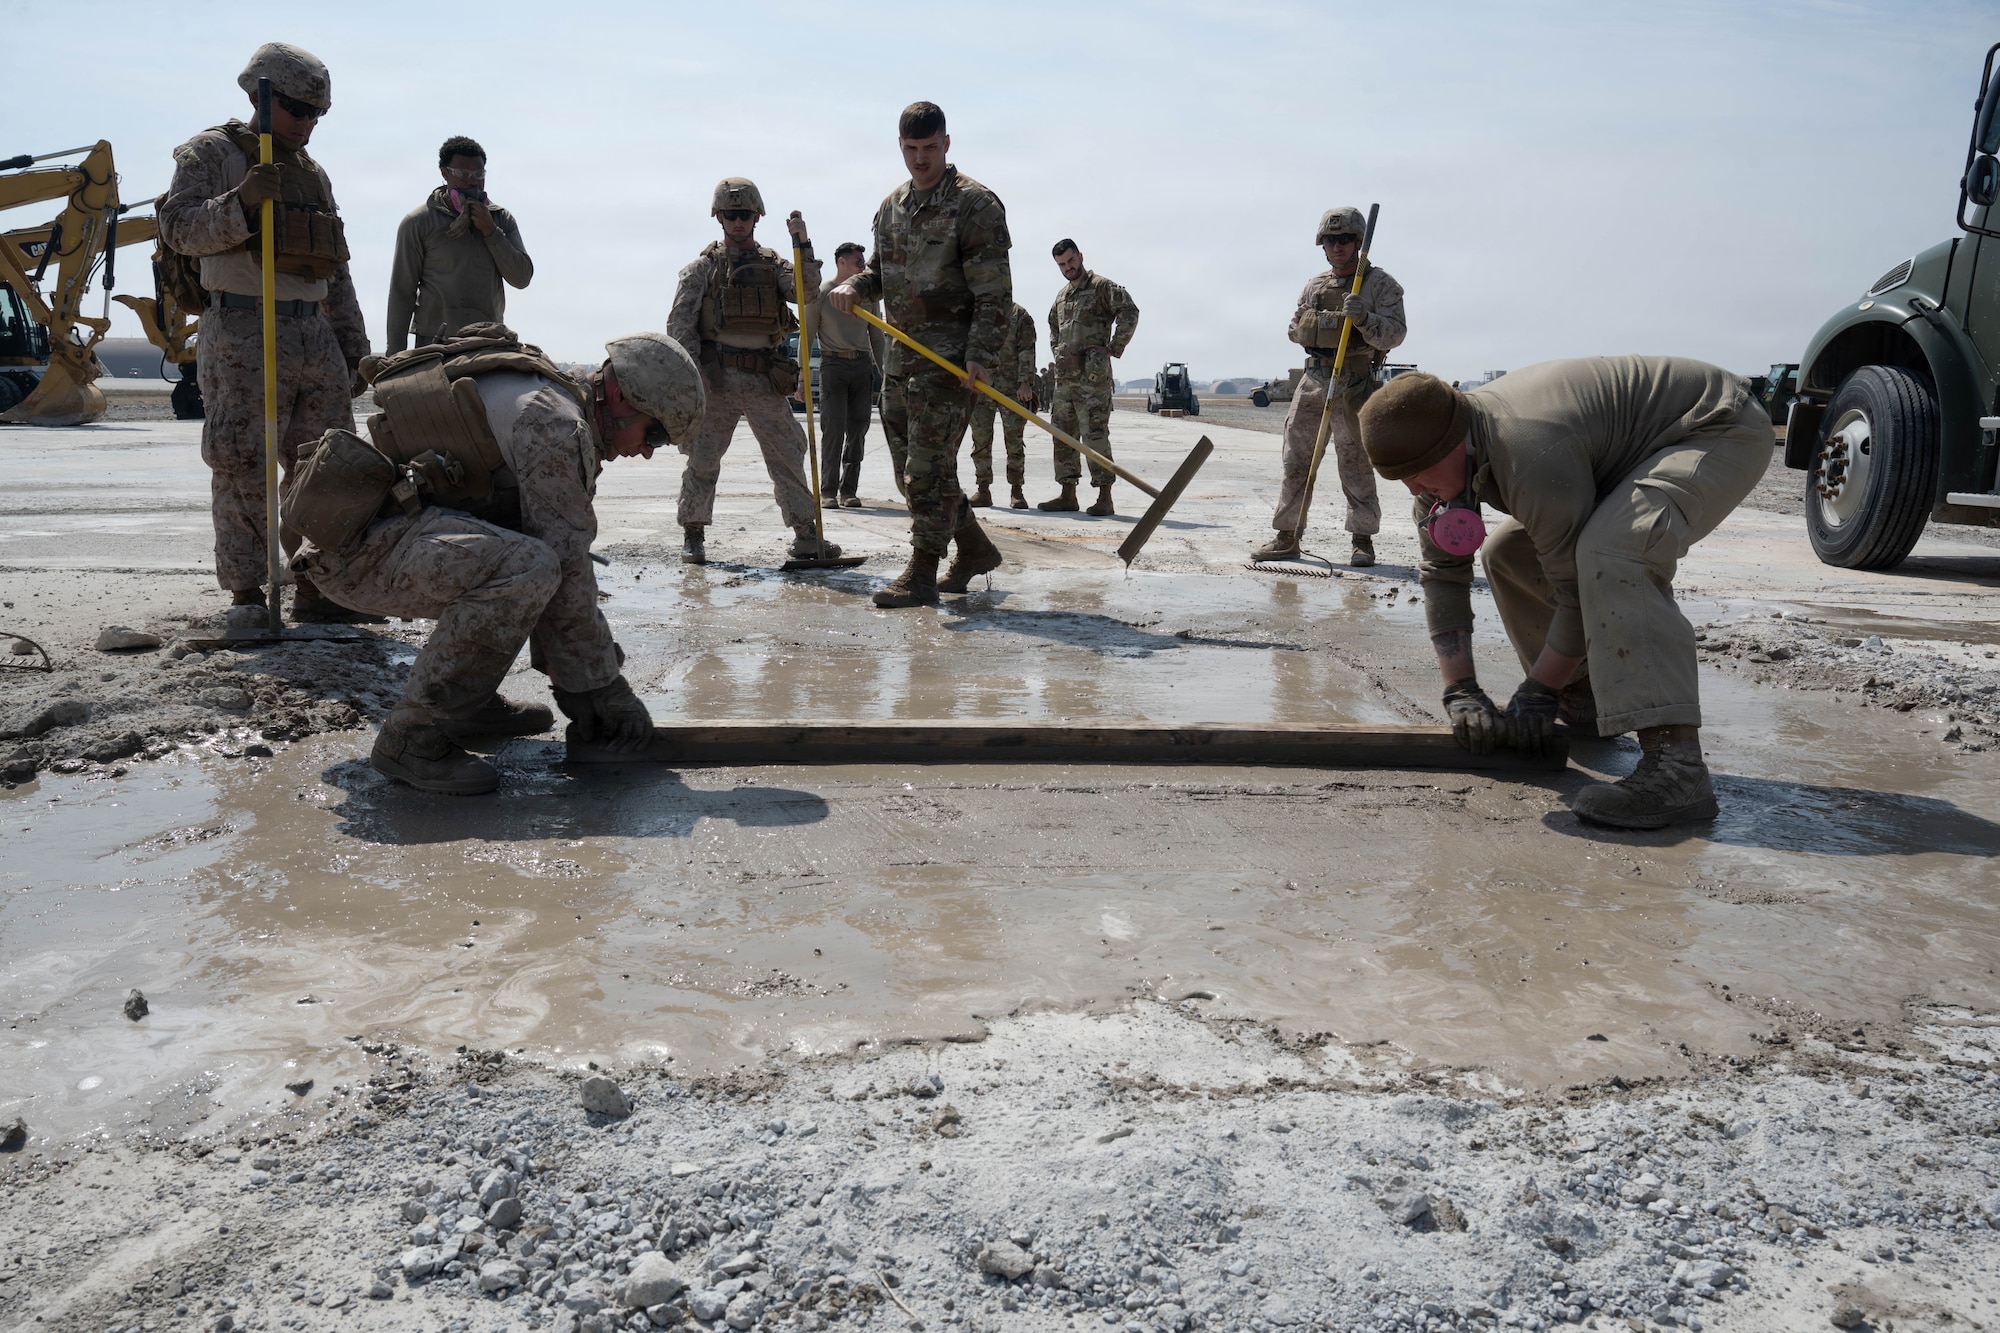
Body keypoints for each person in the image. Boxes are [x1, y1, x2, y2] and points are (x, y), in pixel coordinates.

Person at [1357, 358, 1773, 829]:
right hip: (1619, 450)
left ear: (1454, 441)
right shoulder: (1440, 457)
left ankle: (1677, 768)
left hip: (1714, 425)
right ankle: (1582, 694)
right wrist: (1460, 690)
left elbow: (1575, 589)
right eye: (1401, 477)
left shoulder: (1527, 449)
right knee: (1507, 554)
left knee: (1615, 552)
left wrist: (1538, 691)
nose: (1414, 487)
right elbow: (1443, 574)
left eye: (1418, 471)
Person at [289, 328, 704, 794]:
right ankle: (414, 736)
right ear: (621, 396)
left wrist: (581, 680)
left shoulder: (551, 399)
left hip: (378, 538)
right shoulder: (553, 423)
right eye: (655, 434)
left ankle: (467, 705)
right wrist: (600, 688)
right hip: (356, 556)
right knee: (527, 567)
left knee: (525, 558)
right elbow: (564, 567)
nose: (647, 451)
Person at [158, 41, 371, 623]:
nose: (307, 123)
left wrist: (352, 343)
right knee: (242, 462)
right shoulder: (211, 153)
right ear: (259, 97)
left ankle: (320, 587)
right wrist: (242, 202)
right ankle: (248, 593)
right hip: (241, 329)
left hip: (312, 334)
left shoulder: (311, 173)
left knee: (325, 467)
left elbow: (335, 265)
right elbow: (177, 228)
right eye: (297, 109)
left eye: (316, 114)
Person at [827, 102, 1011, 607]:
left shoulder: (975, 205)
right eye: (911, 149)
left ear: (946, 144)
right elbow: (882, 272)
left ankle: (922, 574)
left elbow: (994, 293)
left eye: (930, 147)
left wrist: (981, 354)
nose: (921, 158)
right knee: (912, 472)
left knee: (927, 471)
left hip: (949, 364)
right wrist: (857, 286)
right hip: (900, 360)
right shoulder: (892, 207)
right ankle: (973, 549)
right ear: (900, 147)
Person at [666, 179, 832, 567]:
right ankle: (693, 532)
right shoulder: (702, 268)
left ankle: (806, 534)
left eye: (744, 214)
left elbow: (806, 292)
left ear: (756, 216)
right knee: (703, 458)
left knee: (787, 455)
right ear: (719, 217)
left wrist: (803, 244)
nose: (737, 221)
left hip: (764, 378)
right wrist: (696, 374)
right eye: (730, 214)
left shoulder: (774, 264)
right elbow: (680, 324)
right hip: (717, 378)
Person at [1253, 207, 1406, 568]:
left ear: (1358, 242)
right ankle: (1287, 536)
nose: (1338, 246)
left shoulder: (1380, 285)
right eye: (1331, 240)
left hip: (1355, 382)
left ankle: (1362, 540)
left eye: (1346, 239)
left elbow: (1395, 334)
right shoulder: (1315, 285)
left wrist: (1365, 318)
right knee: (1296, 460)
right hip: (1314, 382)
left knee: (1355, 462)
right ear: (1322, 244)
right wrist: (1307, 324)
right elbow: (1295, 331)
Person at [385, 135, 534, 352]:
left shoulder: (501, 219)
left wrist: (491, 232)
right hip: (436, 344)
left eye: (479, 175)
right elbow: (402, 292)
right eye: (463, 174)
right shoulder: (418, 222)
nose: (472, 182)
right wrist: (395, 355)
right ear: (444, 173)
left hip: (488, 342)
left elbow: (521, 278)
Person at [1040, 240, 1138, 515]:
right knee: (1062, 436)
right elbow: (1053, 325)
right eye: (1061, 265)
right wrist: (1058, 350)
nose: (1067, 268)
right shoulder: (1062, 296)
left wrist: (1113, 348)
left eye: (1071, 261)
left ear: (1080, 256)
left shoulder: (1101, 287)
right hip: (1064, 381)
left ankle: (1105, 497)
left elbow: (1129, 311)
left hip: (1092, 379)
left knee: (1094, 436)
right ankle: (1067, 494)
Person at [800, 241, 885, 507]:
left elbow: (877, 337)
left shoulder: (868, 296)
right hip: (833, 365)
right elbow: (807, 336)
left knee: (858, 429)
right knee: (833, 429)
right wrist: (801, 378)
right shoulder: (822, 293)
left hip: (862, 365)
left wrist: (885, 374)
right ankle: (827, 491)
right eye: (858, 262)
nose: (863, 267)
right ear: (841, 263)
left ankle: (848, 490)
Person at [967, 302, 1038, 509]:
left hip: (1011, 388)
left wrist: (1025, 382)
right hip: (981, 387)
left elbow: (1027, 348)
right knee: (980, 439)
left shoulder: (1019, 315)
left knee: (1014, 441)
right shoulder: (975, 313)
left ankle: (1016, 490)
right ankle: (983, 489)